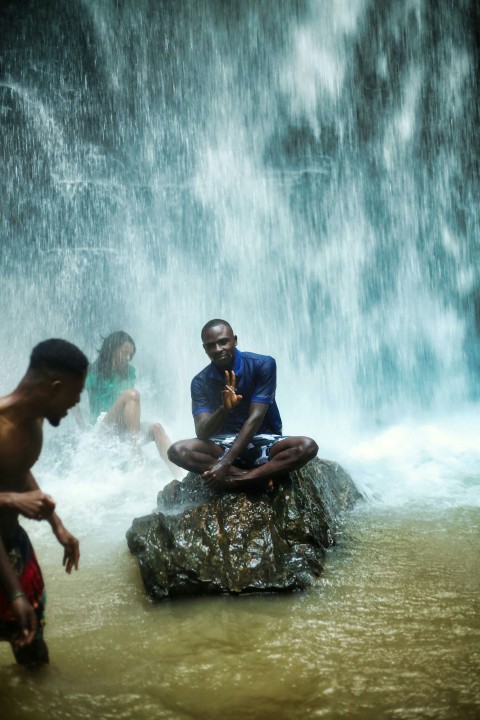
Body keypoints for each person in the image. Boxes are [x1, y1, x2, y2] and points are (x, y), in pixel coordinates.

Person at [0, 338, 88, 668]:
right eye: (74, 396)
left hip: (11, 544)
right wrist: (15, 593)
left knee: (33, 651)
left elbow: (16, 470)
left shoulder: (35, 421)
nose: (74, 405)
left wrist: (57, 525)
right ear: (55, 387)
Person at [168, 319, 318, 490]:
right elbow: (202, 432)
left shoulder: (263, 364)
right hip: (222, 445)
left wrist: (224, 464)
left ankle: (239, 480)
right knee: (177, 451)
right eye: (211, 345)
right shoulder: (200, 381)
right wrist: (223, 409)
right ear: (204, 348)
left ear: (235, 340)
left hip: (265, 442)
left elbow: (255, 418)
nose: (217, 349)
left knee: (307, 446)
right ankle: (258, 477)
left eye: (223, 342)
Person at [84, 331, 180, 475]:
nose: (128, 358)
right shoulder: (92, 371)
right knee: (132, 395)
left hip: (125, 428)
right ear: (112, 349)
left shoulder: (129, 372)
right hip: (102, 427)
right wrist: (82, 430)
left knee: (157, 429)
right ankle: (136, 453)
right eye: (125, 352)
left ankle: (180, 474)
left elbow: (130, 406)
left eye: (131, 354)